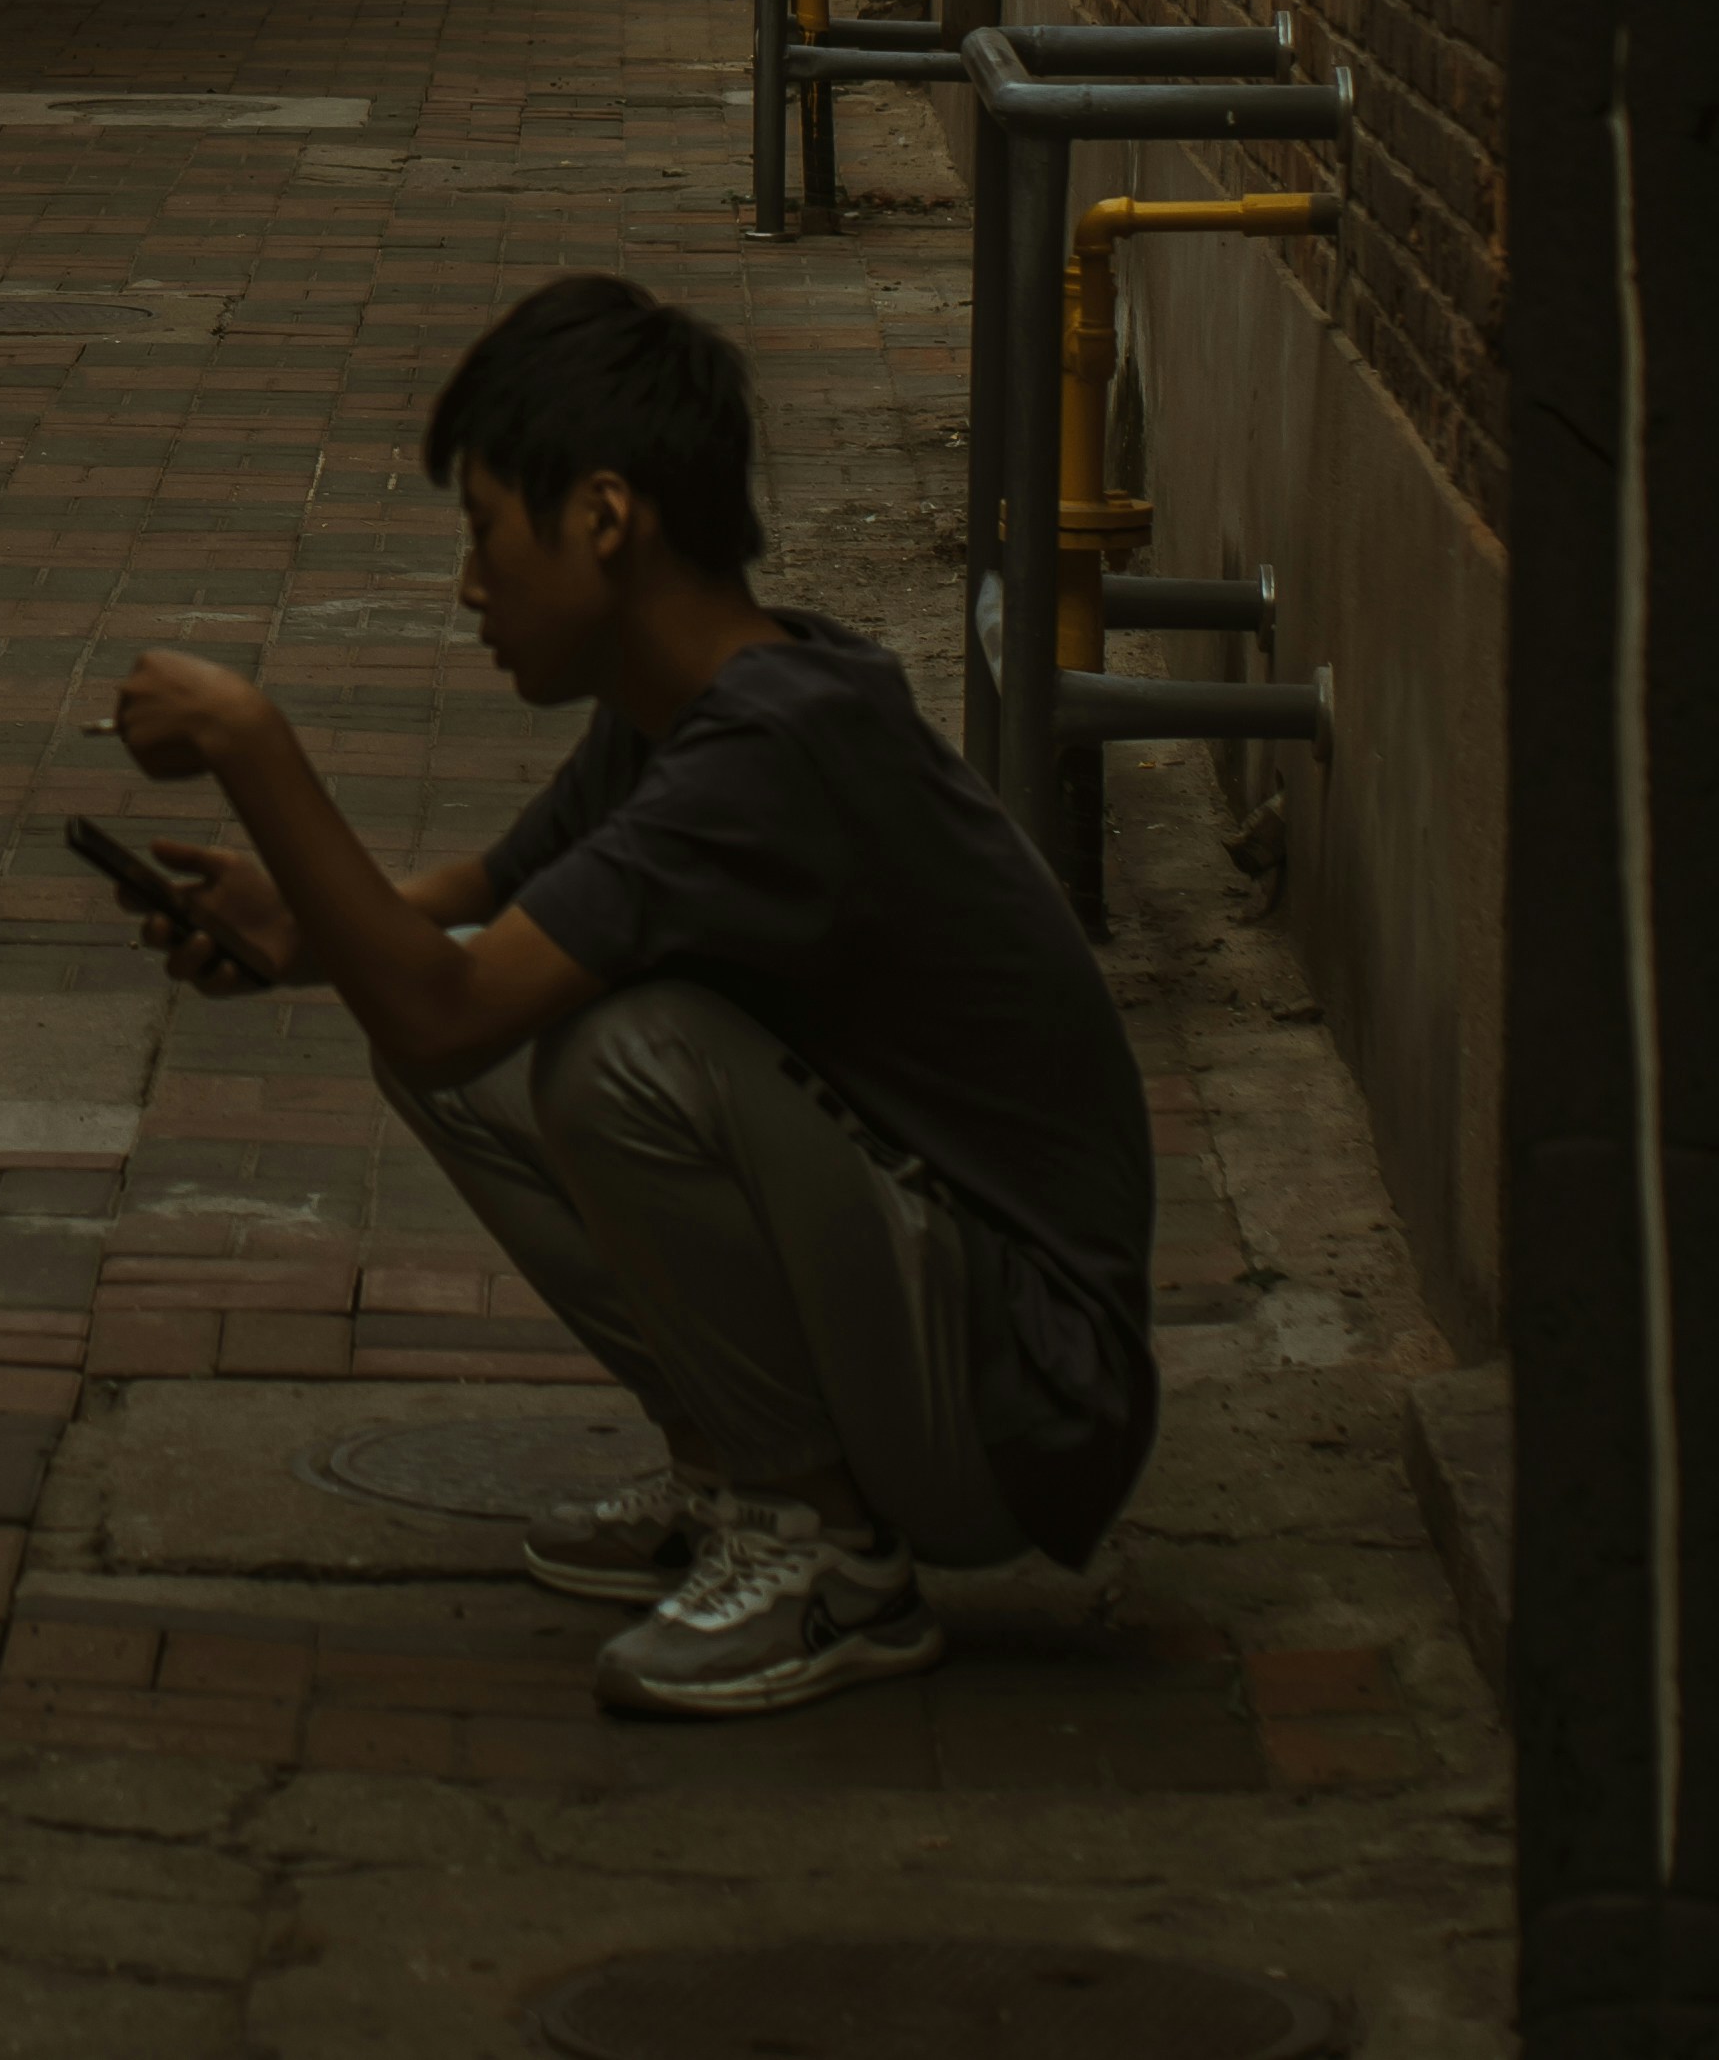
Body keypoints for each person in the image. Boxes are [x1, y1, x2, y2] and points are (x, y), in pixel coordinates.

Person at [95, 269, 1156, 1721]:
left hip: (1022, 1394)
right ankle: (734, 1469)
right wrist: (299, 927)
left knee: (614, 1052)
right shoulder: (690, 706)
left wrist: (252, 741)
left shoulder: (771, 753)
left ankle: (825, 1550)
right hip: (936, 1314)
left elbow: (447, 1002)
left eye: (484, 532)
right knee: (474, 1035)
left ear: (603, 516)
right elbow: (459, 928)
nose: (470, 588)